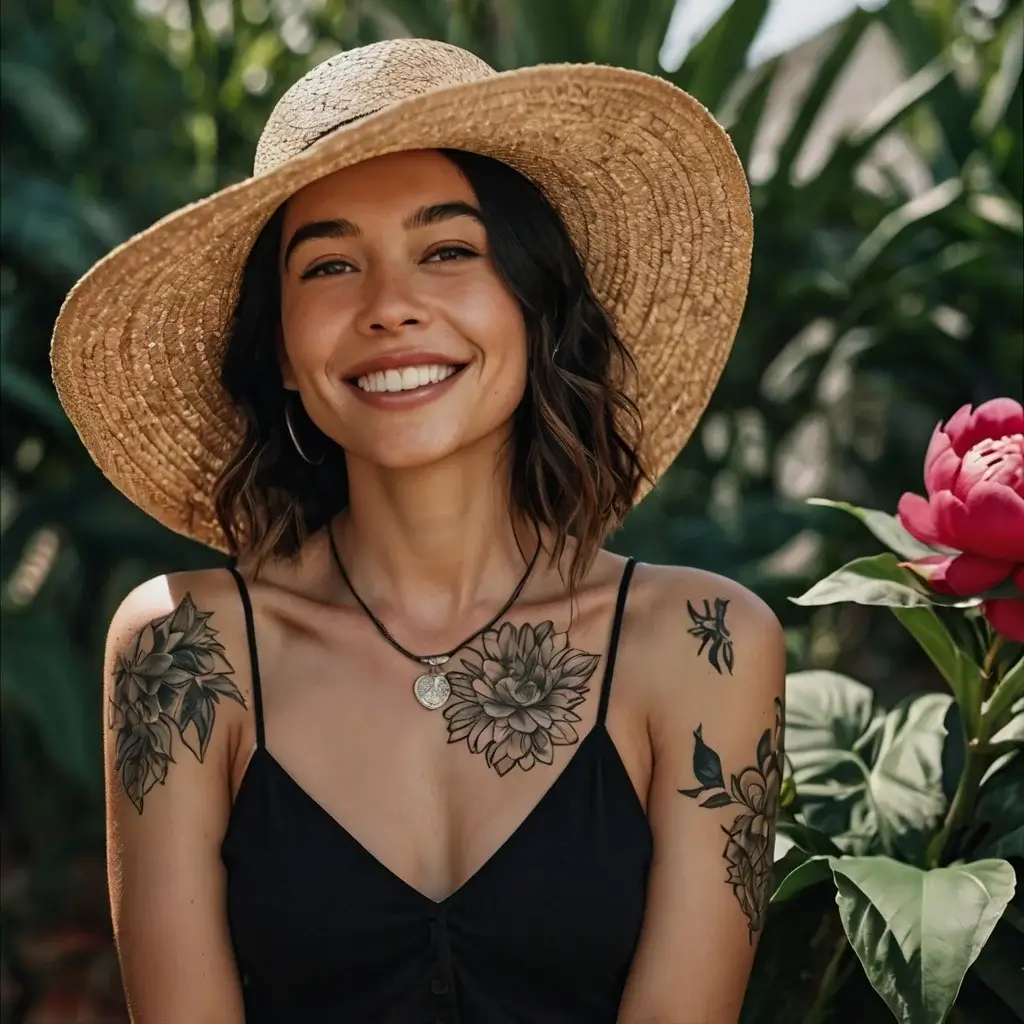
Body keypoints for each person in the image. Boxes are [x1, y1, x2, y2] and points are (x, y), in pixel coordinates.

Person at [51, 37, 785, 1024]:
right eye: (330, 265)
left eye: (448, 251)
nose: (390, 306)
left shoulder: (704, 644)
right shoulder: (182, 650)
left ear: (532, 301)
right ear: (278, 346)